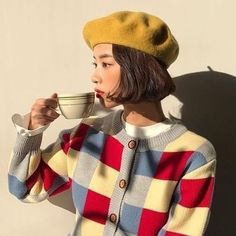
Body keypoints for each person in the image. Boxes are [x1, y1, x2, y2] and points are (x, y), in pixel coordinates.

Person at [8, 11, 216, 236]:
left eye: (106, 64)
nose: (94, 76)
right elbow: (26, 188)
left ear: (140, 68)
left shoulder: (194, 155)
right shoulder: (88, 134)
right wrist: (32, 130)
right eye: (95, 63)